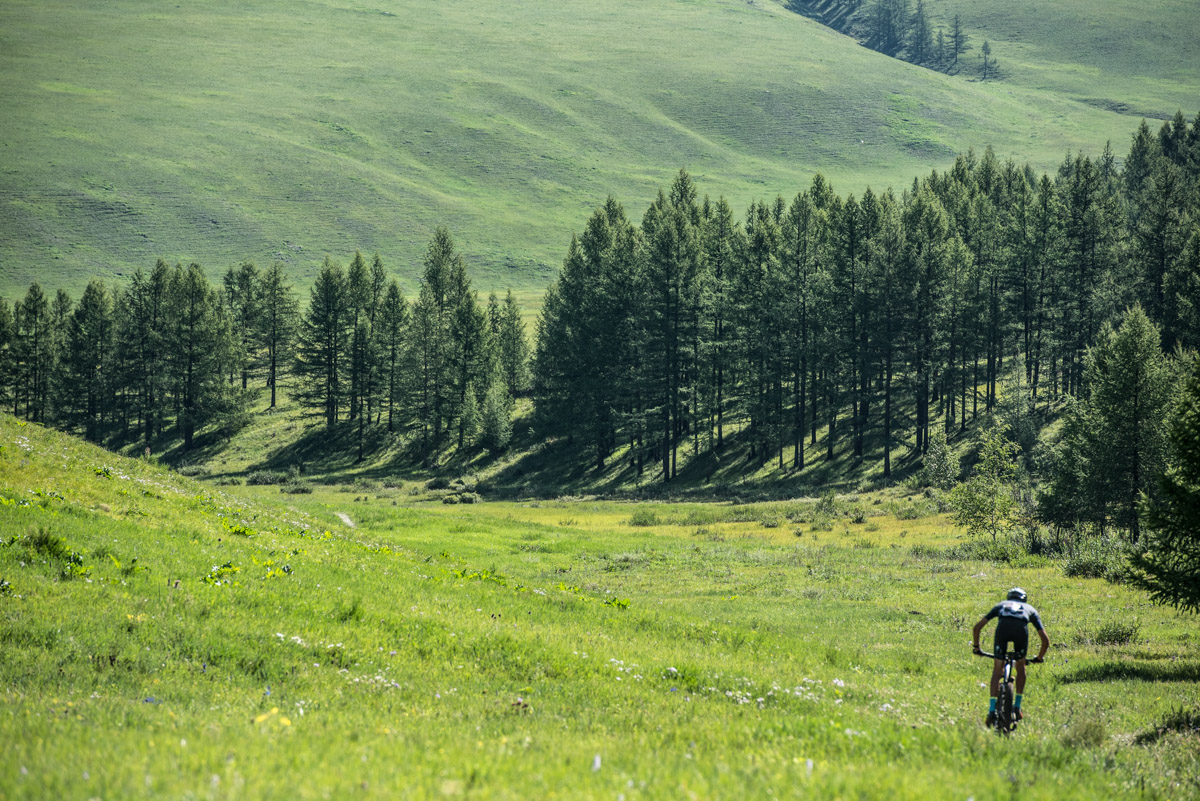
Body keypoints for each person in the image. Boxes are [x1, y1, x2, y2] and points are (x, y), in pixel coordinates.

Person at [972, 587, 1049, 725]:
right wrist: (1039, 657)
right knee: (1021, 667)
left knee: (997, 670)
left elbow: (977, 627)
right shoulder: (1030, 609)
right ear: (1024, 599)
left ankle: (991, 711)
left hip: (1003, 630)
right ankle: (1017, 707)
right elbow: (1045, 639)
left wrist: (977, 648)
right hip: (1021, 631)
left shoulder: (1001, 605)